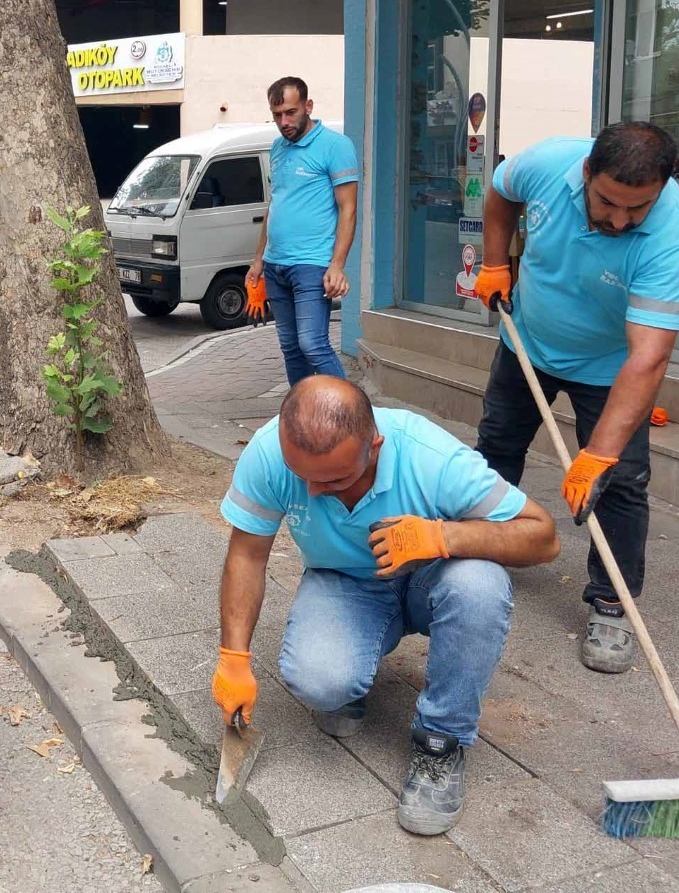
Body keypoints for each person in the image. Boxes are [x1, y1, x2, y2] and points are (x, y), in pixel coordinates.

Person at [212, 377, 557, 835]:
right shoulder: (269, 453)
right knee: (320, 681)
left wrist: (442, 536)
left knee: (479, 585)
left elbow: (544, 537)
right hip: (346, 580)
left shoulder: (431, 458)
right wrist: (234, 657)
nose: (314, 492)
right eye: (305, 478)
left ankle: (442, 740)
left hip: (435, 577)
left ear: (374, 446)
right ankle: (350, 680)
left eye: (335, 478)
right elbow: (247, 555)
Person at [472, 123, 679, 674]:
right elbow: (500, 193)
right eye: (608, 203)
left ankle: (610, 601)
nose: (620, 220)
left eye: (637, 208)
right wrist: (496, 259)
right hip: (526, 339)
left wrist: (596, 455)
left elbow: (647, 358)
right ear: (585, 174)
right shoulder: (548, 162)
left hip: (610, 368)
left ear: (663, 189)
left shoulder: (673, 238)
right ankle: (477, 550)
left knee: (619, 481)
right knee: (496, 448)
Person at [247, 77, 359, 385]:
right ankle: (302, 419)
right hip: (275, 265)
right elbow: (275, 204)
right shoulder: (278, 148)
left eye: (291, 112)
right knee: (291, 348)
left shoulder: (335, 146)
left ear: (308, 106)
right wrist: (258, 260)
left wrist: (337, 266)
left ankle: (353, 417)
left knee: (313, 344)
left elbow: (349, 209)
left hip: (312, 264)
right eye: (277, 114)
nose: (284, 122)